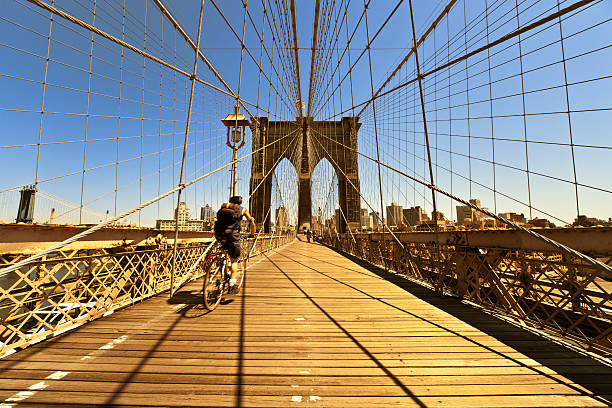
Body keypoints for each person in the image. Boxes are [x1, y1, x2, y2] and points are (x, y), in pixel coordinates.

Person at [214, 196, 256, 291]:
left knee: (224, 251)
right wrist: (252, 234)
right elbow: (251, 222)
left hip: (218, 233)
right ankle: (232, 285)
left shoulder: (224, 207)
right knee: (234, 260)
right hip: (232, 235)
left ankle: (221, 270)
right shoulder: (243, 210)